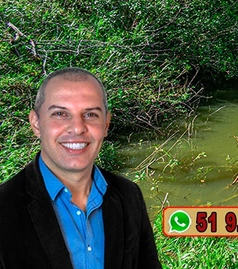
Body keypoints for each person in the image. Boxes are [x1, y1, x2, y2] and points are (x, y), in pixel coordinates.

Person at [0, 68, 162, 269]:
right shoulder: (4, 207)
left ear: (106, 124)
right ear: (36, 123)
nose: (77, 128)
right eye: (60, 113)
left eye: (90, 114)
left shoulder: (129, 195)